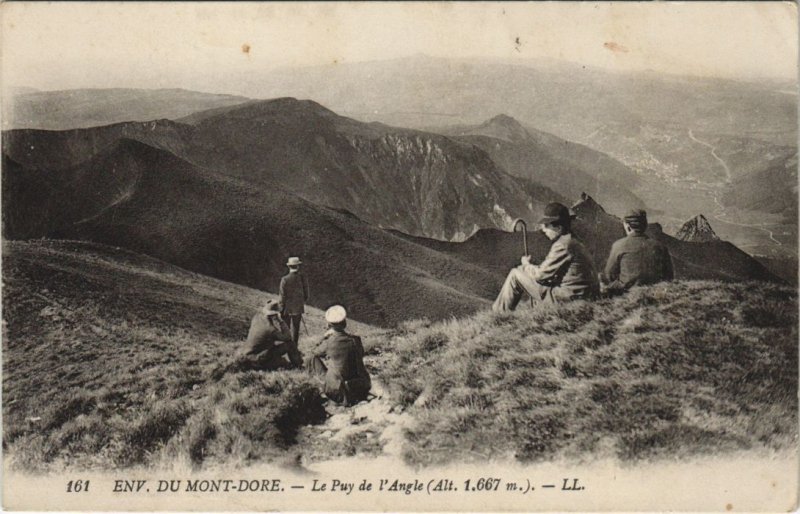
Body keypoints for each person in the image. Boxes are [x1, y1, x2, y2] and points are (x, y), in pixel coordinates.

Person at [492, 202, 599, 311]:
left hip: (568, 299)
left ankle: (499, 315)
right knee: (526, 273)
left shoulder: (562, 245)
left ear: (559, 228)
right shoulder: (574, 241)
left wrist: (526, 265)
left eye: (547, 225)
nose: (543, 229)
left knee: (515, 274)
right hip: (583, 295)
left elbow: (540, 275)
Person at [305, 305, 371, 406]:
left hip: (340, 390)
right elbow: (360, 354)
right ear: (344, 323)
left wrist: (323, 337)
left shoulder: (329, 342)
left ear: (329, 325)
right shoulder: (356, 340)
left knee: (310, 358)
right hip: (361, 386)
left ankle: (315, 388)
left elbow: (313, 352)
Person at [211, 300, 294, 379]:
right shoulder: (270, 329)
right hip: (257, 360)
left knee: (277, 354)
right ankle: (298, 365)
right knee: (290, 345)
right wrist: (280, 320)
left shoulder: (256, 318)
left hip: (247, 355)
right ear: (275, 314)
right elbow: (288, 337)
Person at [602, 209, 674, 294]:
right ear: (645, 225)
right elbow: (669, 276)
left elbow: (609, 275)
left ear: (628, 226)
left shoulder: (619, 245)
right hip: (654, 293)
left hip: (626, 295)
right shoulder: (660, 246)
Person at [279, 256, 308, 367]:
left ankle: (287, 350)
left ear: (289, 266)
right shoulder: (302, 278)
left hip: (286, 309)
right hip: (298, 308)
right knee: (296, 330)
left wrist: (281, 309)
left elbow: (282, 297)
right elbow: (306, 294)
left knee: (286, 330)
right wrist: (300, 302)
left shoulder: (284, 279)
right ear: (298, 266)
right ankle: (294, 350)